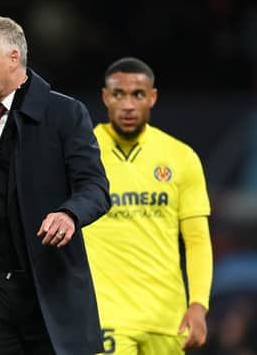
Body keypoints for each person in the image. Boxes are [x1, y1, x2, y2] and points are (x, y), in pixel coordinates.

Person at [0, 16, 111, 355]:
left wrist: (69, 214)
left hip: (45, 281)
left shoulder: (63, 113)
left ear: (13, 58)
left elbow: (95, 186)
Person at [83, 57, 213, 354]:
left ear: (152, 97)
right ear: (105, 97)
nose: (128, 105)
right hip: (106, 316)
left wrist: (198, 305)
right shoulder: (82, 151)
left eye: (138, 94)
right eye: (119, 94)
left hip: (168, 320)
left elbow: (196, 240)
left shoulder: (181, 157)